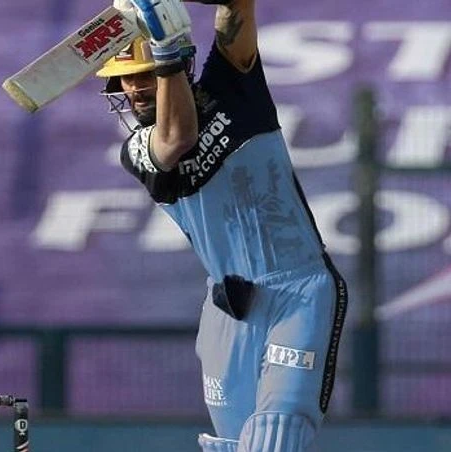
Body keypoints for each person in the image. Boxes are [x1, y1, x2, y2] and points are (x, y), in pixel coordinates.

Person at [96, 1, 348, 451]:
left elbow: (237, 9)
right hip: (229, 309)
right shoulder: (138, 150)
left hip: (299, 291)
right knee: (231, 444)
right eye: (125, 79)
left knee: (278, 430)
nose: (133, 89)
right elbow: (178, 138)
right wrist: (165, 50)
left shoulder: (232, 86)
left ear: (178, 62)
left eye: (143, 74)